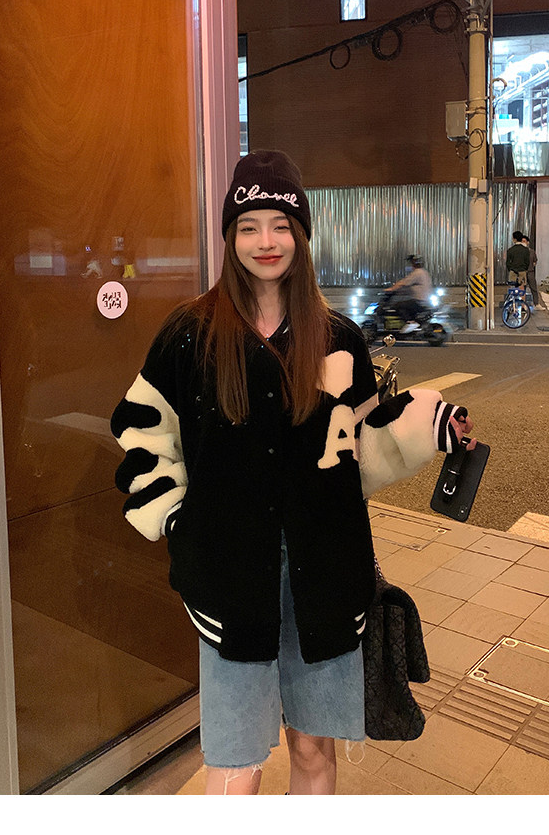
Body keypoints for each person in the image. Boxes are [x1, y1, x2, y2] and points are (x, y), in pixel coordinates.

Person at [111, 149, 475, 796]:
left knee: (312, 748)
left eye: (281, 225)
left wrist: (431, 425)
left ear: (301, 235)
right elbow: (142, 432)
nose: (266, 241)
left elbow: (360, 454)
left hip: (325, 576)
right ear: (231, 237)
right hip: (229, 584)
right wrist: (178, 520)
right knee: (235, 761)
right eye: (249, 226)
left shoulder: (339, 339)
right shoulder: (190, 334)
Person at [386, 255, 432, 332]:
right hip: (424, 301)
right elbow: (411, 286)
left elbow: (403, 283)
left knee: (398, 306)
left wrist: (390, 289)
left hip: (419, 301)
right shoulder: (424, 272)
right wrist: (401, 291)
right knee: (407, 305)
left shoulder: (417, 272)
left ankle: (410, 322)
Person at [521, 235, 539, 307]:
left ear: (527, 242)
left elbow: (535, 261)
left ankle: (536, 303)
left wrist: (532, 265)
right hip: (522, 272)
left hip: (530, 272)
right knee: (523, 289)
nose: (523, 243)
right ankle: (523, 305)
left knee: (534, 288)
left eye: (524, 241)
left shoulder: (532, 251)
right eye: (522, 241)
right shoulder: (520, 252)